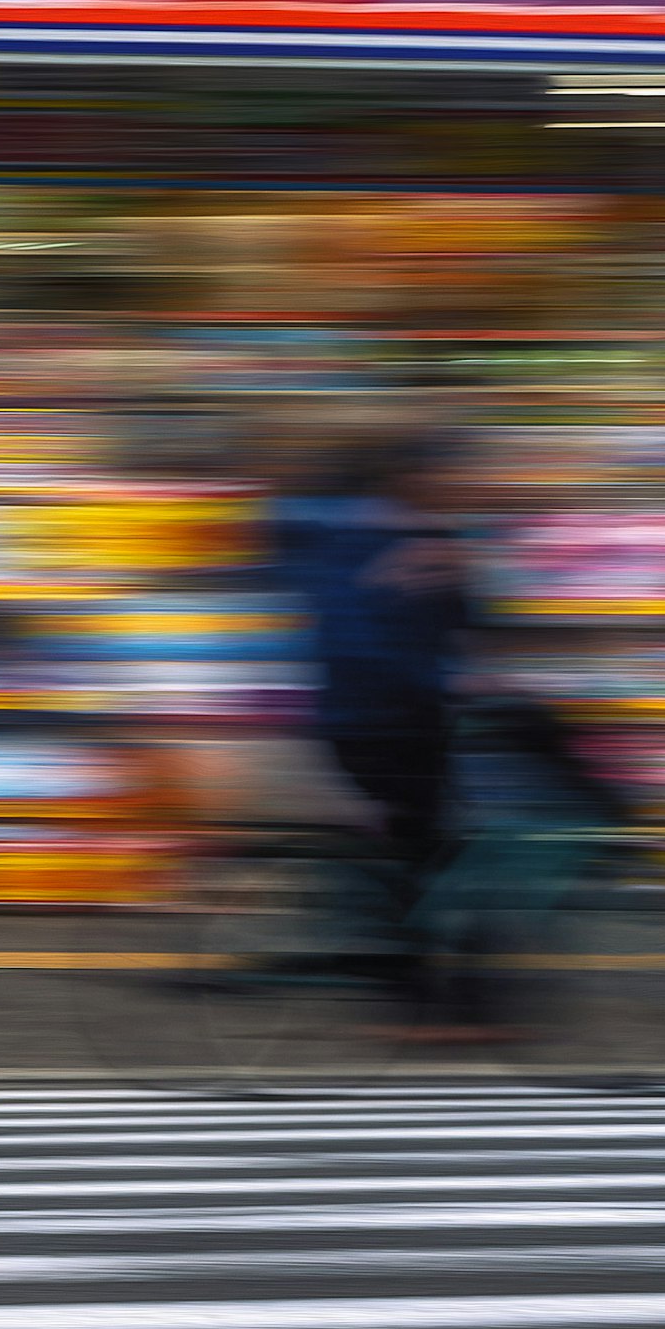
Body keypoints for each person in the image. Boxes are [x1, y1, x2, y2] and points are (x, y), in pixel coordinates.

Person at [266, 420, 476, 1026]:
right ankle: (408, 988)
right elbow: (353, 640)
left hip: (420, 719)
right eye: (450, 471)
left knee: (441, 844)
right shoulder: (353, 538)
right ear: (413, 478)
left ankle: (406, 965)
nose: (464, 482)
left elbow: (465, 620)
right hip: (373, 722)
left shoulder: (437, 536)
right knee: (428, 847)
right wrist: (441, 678)